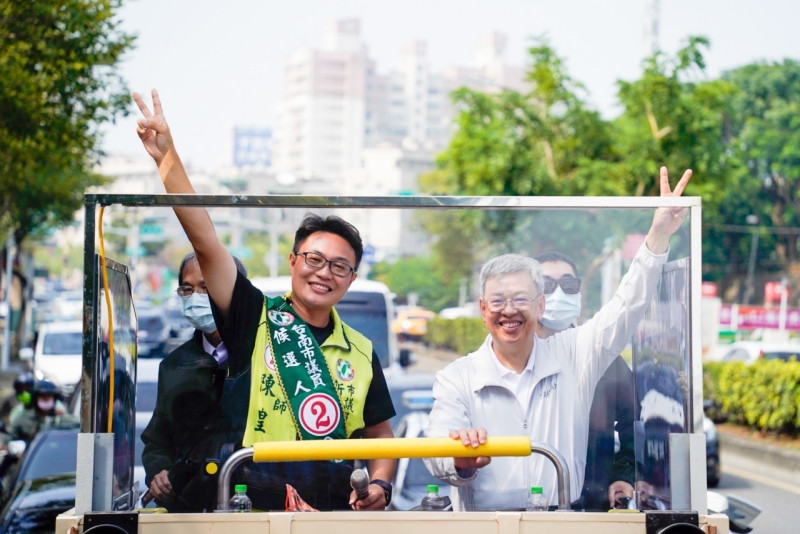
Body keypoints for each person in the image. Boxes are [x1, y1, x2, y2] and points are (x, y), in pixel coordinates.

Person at [133, 89, 396, 511]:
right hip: (254, 510)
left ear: (351, 278)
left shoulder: (361, 352)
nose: (324, 272)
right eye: (314, 259)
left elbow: (381, 437)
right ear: (293, 262)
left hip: (332, 513)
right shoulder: (253, 318)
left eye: (339, 266)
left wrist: (380, 488)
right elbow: (205, 240)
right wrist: (167, 158)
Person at [424, 167, 692, 511]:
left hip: (562, 522)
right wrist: (458, 458)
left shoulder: (574, 354)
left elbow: (627, 307)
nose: (509, 311)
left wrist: (657, 236)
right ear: (482, 308)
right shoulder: (457, 377)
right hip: (486, 526)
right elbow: (437, 447)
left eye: (521, 299)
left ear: (539, 304)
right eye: (498, 301)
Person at [141, 252, 247, 512]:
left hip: (254, 501)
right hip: (190, 507)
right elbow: (158, 441)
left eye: (206, 287)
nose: (195, 297)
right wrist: (159, 474)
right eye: (187, 289)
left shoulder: (265, 355)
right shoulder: (175, 365)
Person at [534, 251, 635, 511]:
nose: (558, 293)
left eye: (568, 284)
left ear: (579, 292)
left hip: (592, 507)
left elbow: (633, 424)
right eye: (546, 284)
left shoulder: (605, 358)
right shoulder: (516, 359)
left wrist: (625, 475)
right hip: (525, 510)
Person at [4, 379, 76, 446]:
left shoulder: (62, 419)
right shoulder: (22, 419)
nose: (45, 400)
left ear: (54, 399)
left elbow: (78, 427)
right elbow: (7, 440)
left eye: (48, 397)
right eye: (42, 397)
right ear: (35, 399)